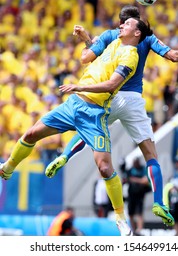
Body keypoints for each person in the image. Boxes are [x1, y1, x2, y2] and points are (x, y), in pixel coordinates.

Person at [44, 5, 178, 226]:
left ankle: (65, 156)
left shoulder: (110, 35)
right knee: (150, 154)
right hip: (133, 98)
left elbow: (87, 58)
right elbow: (174, 56)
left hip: (109, 94)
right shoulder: (145, 37)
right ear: (136, 22)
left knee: (89, 130)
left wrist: (86, 39)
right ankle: (159, 203)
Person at [0, 17, 151, 236]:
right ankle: (8, 168)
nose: (121, 25)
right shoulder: (113, 42)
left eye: (127, 24)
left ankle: (120, 217)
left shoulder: (131, 55)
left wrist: (79, 85)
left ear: (137, 33)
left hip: (94, 114)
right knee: (32, 133)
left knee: (105, 168)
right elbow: (94, 59)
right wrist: (87, 39)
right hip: (72, 105)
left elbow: (111, 85)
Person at [126, 157, 151, 235]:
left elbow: (146, 180)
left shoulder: (143, 169)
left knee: (139, 213)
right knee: (131, 213)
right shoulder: (130, 170)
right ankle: (133, 230)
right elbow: (127, 179)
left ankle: (139, 229)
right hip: (131, 194)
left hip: (140, 194)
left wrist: (135, 180)